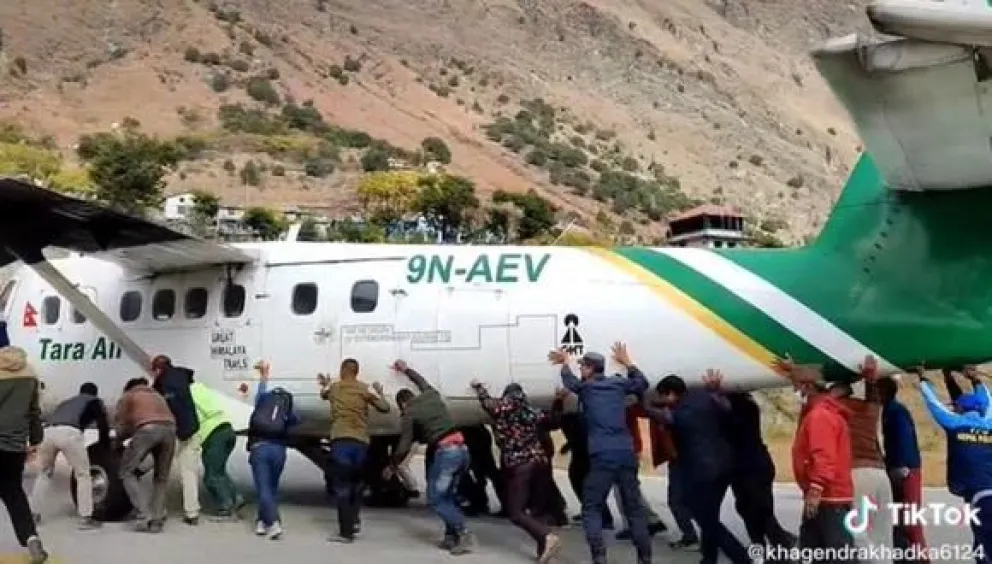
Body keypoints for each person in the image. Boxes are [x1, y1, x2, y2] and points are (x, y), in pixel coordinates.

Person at [550, 342, 652, 564]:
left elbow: (570, 383)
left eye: (582, 367)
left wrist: (565, 363)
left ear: (588, 368)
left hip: (602, 455)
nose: (581, 370)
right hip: (626, 453)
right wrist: (629, 364)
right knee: (634, 509)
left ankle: (599, 557)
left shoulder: (587, 388)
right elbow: (642, 383)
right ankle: (645, 558)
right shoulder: (618, 384)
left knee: (592, 507)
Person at [649, 371, 750, 564]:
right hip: (724, 466)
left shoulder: (682, 414)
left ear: (670, 393)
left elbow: (666, 418)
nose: (663, 400)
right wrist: (715, 390)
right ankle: (709, 558)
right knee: (710, 513)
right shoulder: (704, 397)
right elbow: (726, 409)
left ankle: (741, 558)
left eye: (663, 396)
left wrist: (645, 402)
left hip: (704, 470)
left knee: (705, 517)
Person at [387, 359, 475, 555]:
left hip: (447, 454)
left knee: (436, 498)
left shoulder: (410, 412)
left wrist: (393, 464)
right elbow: (421, 381)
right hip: (462, 450)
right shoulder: (431, 395)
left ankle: (463, 533)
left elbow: (404, 445)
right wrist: (406, 370)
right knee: (449, 496)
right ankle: (451, 537)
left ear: (402, 403)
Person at [471, 380, 563, 562]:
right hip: (540, 463)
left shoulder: (503, 412)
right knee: (535, 509)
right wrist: (558, 400)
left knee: (516, 512)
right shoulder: (531, 412)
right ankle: (543, 547)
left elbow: (488, 404)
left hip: (520, 464)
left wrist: (479, 388)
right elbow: (554, 419)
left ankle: (546, 537)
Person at [781, 360, 858, 563]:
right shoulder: (819, 411)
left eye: (796, 385)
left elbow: (823, 455)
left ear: (807, 387)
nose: (794, 390)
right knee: (812, 551)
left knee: (838, 554)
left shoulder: (819, 416)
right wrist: (793, 369)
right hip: (824, 496)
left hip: (827, 497)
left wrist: (816, 489)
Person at [914, 364, 992, 560]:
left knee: (984, 546)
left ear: (960, 409)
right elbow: (988, 401)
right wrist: (975, 379)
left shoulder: (955, 424)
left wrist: (922, 377)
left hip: (980, 497)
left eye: (956, 406)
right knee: (981, 542)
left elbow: (934, 404)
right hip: (985, 492)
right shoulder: (989, 424)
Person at [317, 358, 390, 543]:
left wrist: (325, 384)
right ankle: (355, 521)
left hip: (341, 441)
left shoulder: (335, 388)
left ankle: (345, 532)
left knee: (342, 486)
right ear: (357, 372)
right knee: (357, 485)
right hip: (361, 442)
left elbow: (323, 395)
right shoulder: (365, 389)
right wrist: (381, 393)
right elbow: (385, 408)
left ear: (342, 370)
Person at [30, 381, 111, 530]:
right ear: (95, 393)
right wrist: (105, 445)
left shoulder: (66, 402)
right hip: (69, 433)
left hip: (47, 433)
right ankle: (86, 517)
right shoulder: (94, 401)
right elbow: (102, 423)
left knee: (44, 474)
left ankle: (33, 514)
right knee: (83, 475)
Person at [838, 356, 894, 563]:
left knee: (858, 532)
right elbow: (874, 397)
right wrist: (870, 379)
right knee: (883, 533)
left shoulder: (836, 410)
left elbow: (816, 398)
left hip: (858, 474)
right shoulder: (869, 410)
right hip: (880, 474)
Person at [725, 390, 796, 550]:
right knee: (747, 508)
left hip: (752, 465)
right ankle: (762, 546)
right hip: (746, 465)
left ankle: (782, 546)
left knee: (760, 510)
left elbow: (736, 425)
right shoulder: (742, 405)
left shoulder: (743, 407)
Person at [0, 344, 49, 563]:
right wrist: (36, 439)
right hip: (14, 447)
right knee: (15, 495)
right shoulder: (30, 376)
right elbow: (33, 412)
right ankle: (32, 539)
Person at [115, 376, 177, 534]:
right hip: (170, 431)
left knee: (126, 472)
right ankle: (157, 521)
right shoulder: (157, 395)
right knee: (161, 478)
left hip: (147, 429)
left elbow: (122, 424)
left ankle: (143, 515)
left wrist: (117, 441)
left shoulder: (129, 395)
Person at [876, 375, 928, 559]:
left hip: (906, 469)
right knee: (899, 519)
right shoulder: (890, 410)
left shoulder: (895, 412)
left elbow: (903, 439)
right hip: (899, 466)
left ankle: (922, 559)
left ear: (883, 392)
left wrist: (901, 466)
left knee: (911, 521)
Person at [248, 361, 300, 540]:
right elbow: (295, 421)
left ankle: (273, 522)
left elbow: (261, 390)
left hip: (259, 449)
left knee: (263, 488)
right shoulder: (286, 411)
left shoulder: (261, 401)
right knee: (271, 487)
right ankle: (261, 522)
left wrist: (264, 376)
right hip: (278, 450)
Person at [550, 391, 616, 530]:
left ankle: (603, 517)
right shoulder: (577, 417)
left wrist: (558, 401)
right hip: (584, 452)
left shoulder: (573, 418)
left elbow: (557, 420)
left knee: (584, 483)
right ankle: (594, 512)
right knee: (582, 483)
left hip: (585, 454)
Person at [150, 355, 201, 526]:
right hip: (193, 429)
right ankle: (192, 513)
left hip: (174, 433)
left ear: (158, 369)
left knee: (161, 474)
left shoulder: (162, 384)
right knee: (189, 473)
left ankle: (159, 511)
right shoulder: (185, 378)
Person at [189, 373, 241, 520]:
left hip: (213, 435)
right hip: (227, 430)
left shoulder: (187, 394)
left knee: (211, 476)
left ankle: (226, 507)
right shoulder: (202, 389)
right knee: (219, 471)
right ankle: (236, 498)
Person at [613, 399, 667, 541]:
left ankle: (637, 525)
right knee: (628, 489)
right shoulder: (623, 400)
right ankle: (650, 521)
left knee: (624, 491)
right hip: (627, 448)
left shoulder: (621, 401)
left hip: (624, 449)